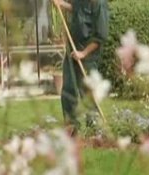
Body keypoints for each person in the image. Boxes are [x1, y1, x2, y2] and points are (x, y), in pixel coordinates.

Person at [52, 0, 109, 134]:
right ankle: (71, 126)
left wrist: (83, 53)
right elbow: (76, 9)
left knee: (87, 93)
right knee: (68, 89)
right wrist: (61, 4)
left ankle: (94, 128)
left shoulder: (99, 5)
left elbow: (100, 36)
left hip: (87, 56)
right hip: (73, 51)